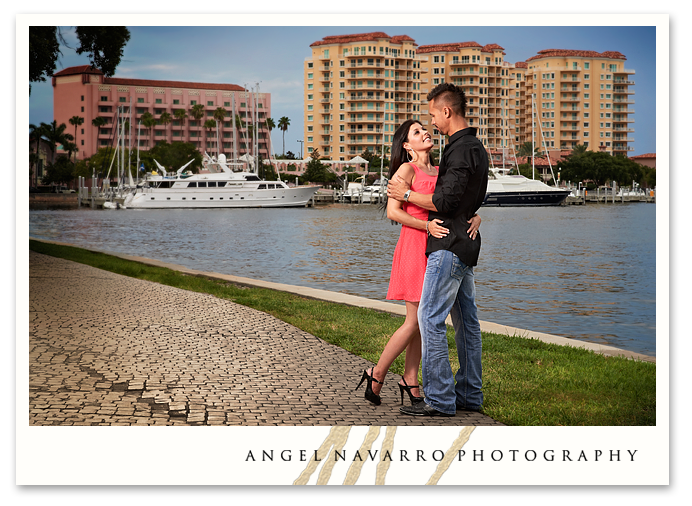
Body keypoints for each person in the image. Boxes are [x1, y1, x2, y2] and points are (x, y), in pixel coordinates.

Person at [356, 119, 481, 406]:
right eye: (416, 132)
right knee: (415, 320)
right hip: (415, 246)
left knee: (425, 321)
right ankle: (376, 373)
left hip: (439, 247)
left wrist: (474, 216)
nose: (425, 133)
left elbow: (454, 202)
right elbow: (393, 212)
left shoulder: (441, 170)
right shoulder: (406, 170)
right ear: (406, 145)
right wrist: (425, 227)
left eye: (425, 129)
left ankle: (410, 379)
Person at [387, 83, 489, 417]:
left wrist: (404, 194)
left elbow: (444, 201)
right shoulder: (476, 147)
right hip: (466, 243)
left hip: (447, 245)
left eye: (432, 115)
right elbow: (470, 197)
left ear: (446, 111)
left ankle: (441, 400)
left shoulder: (457, 150)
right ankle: (470, 397)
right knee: (467, 324)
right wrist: (473, 214)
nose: (432, 122)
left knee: (429, 319)